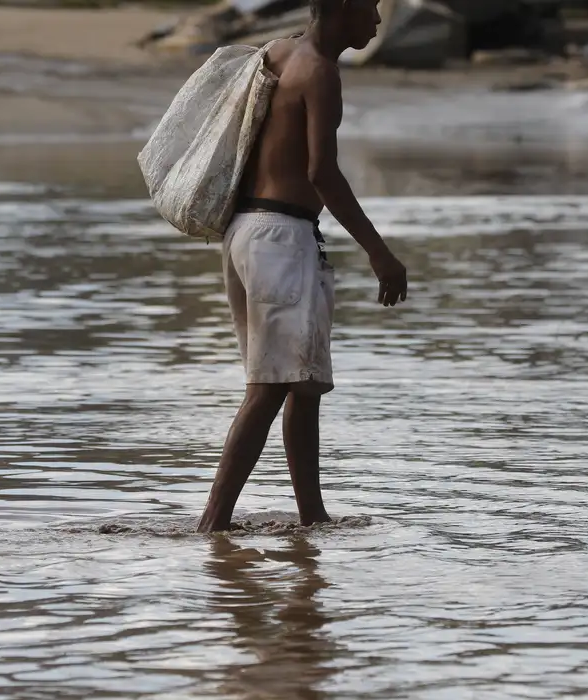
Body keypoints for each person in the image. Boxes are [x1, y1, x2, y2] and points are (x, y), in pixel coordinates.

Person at [196, 0, 408, 533]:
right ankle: (212, 524)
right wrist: (378, 251)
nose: (379, 22)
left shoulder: (280, 51)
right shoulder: (320, 72)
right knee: (268, 387)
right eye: (372, 9)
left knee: (302, 383)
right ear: (342, 8)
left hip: (247, 233)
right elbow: (322, 173)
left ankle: (311, 519)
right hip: (280, 239)